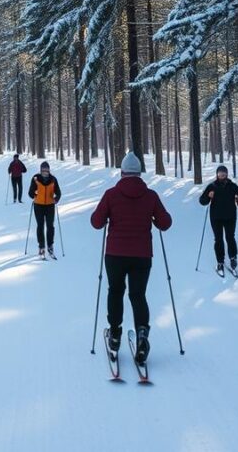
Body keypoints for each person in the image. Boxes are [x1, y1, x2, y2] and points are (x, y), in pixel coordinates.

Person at [91, 152, 172, 363]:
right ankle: (142, 335)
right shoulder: (151, 195)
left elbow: (96, 222)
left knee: (115, 292)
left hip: (115, 254)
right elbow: (165, 223)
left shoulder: (111, 194)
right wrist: (153, 219)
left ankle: (115, 335)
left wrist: (108, 216)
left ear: (122, 172)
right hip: (142, 255)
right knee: (138, 295)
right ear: (139, 173)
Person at [198, 165, 238, 274]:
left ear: (227, 174)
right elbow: (202, 201)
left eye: (223, 174)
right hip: (216, 218)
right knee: (218, 239)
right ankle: (220, 261)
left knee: (230, 237)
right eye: (220, 174)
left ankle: (233, 258)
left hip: (230, 217)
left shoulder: (233, 186)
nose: (221, 176)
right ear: (217, 174)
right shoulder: (212, 186)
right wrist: (208, 196)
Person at [27, 161, 61, 258]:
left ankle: (50, 245)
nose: (45, 172)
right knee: (40, 226)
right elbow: (30, 193)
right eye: (43, 170)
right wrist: (34, 195)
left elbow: (58, 192)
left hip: (50, 205)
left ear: (49, 170)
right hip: (38, 206)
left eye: (47, 170)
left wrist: (56, 199)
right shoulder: (36, 178)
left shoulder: (53, 179)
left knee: (50, 226)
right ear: (41, 170)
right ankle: (41, 246)